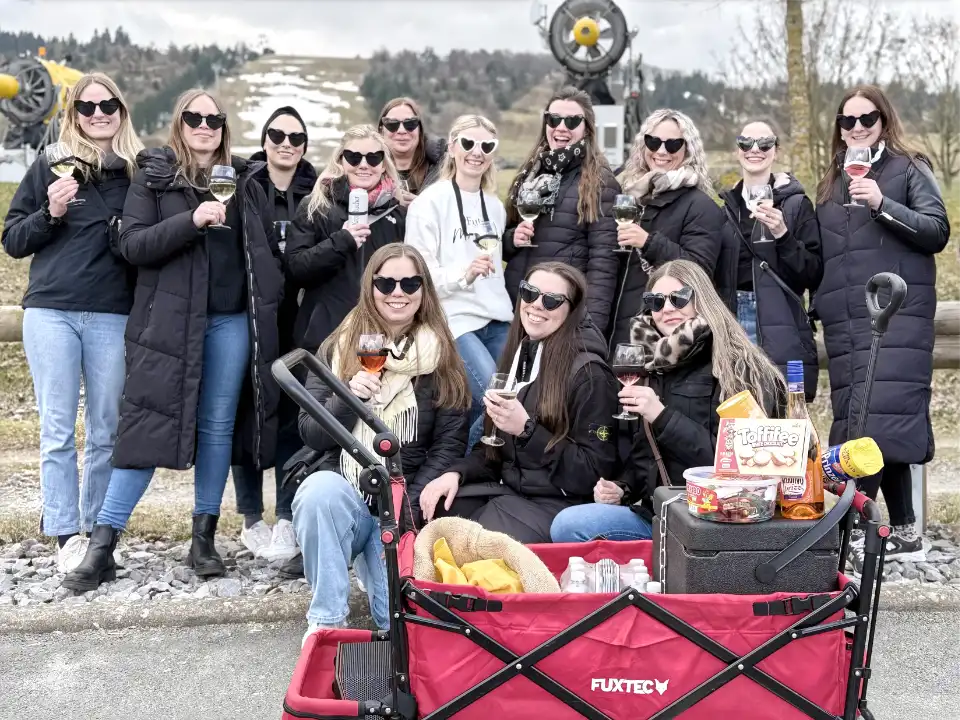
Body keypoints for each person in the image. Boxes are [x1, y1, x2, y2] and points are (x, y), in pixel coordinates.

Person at [63, 88, 284, 592]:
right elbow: (133, 245)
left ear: (224, 126)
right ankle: (102, 546)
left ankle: (202, 537)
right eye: (194, 117)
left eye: (214, 118)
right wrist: (192, 220)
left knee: (216, 426)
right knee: (144, 425)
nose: (204, 125)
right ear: (178, 123)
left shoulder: (245, 179)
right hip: (168, 326)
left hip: (229, 323)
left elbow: (267, 250)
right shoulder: (155, 176)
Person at [1, 72, 143, 573]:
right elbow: (14, 239)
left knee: (106, 429)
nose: (99, 114)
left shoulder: (138, 172)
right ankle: (65, 536)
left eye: (109, 105)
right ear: (73, 114)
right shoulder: (50, 165)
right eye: (87, 107)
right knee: (58, 429)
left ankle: (98, 536)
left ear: (122, 111)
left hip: (111, 313)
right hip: (52, 311)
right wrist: (51, 211)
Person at [294, 244, 469, 644]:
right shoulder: (339, 347)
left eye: (410, 282)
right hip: (348, 498)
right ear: (369, 286)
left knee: (396, 627)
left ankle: (369, 575)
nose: (398, 292)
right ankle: (326, 622)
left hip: (401, 506)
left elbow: (448, 446)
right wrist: (347, 398)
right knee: (318, 492)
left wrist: (404, 506)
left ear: (424, 291)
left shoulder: (442, 356)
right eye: (386, 282)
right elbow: (310, 432)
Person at [550, 260, 786, 542]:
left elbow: (745, 468)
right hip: (661, 515)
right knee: (570, 524)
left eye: (679, 298)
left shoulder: (739, 367)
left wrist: (661, 416)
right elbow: (646, 456)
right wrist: (623, 488)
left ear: (702, 301)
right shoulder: (650, 363)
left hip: (723, 519)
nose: (667, 308)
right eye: (656, 301)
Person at [814, 84, 950, 571]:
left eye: (866, 118)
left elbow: (937, 231)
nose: (855, 128)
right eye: (846, 121)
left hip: (895, 316)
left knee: (880, 419)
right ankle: (903, 530)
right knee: (864, 420)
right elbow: (828, 255)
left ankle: (856, 529)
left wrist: (881, 203)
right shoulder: (831, 180)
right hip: (848, 323)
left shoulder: (909, 168)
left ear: (884, 120)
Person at [417, 262, 619, 544]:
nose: (537, 305)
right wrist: (455, 473)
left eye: (551, 301)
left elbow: (593, 473)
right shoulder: (521, 353)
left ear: (571, 310)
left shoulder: (589, 374)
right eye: (530, 293)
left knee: (466, 546)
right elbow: (491, 450)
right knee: (430, 509)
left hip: (560, 505)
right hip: (511, 491)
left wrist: (526, 430)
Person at [231, 106, 318, 562]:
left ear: (305, 145)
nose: (286, 143)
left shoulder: (317, 190)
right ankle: (250, 518)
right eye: (277, 134)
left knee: (290, 415)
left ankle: (286, 514)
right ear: (264, 139)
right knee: (247, 413)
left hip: (297, 317)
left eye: (296, 137)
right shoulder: (247, 187)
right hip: (249, 315)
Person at [405, 114, 514, 445]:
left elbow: (493, 271)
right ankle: (455, 476)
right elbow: (418, 275)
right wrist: (463, 275)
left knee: (517, 399)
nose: (476, 152)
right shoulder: (428, 203)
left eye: (486, 145)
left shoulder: (495, 207)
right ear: (452, 148)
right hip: (455, 321)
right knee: (492, 401)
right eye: (468, 143)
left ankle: (487, 479)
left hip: (498, 318)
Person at [718, 120, 823, 399]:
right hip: (731, 323)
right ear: (737, 150)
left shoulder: (796, 205)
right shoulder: (723, 208)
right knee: (737, 424)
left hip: (780, 321)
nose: (755, 150)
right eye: (746, 143)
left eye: (764, 143)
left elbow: (812, 273)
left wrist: (783, 235)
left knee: (782, 426)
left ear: (776, 150)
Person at [503, 87, 620, 334]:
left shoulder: (600, 182)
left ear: (586, 127)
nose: (561, 127)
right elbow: (503, 241)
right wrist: (512, 239)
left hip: (560, 313)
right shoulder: (530, 172)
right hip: (518, 309)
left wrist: (591, 331)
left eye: (572, 121)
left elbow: (603, 266)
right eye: (554, 119)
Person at [609, 108, 728, 353]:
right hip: (614, 326)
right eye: (653, 142)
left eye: (673, 144)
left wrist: (649, 243)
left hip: (663, 337)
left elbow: (700, 271)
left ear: (688, 150)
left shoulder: (701, 205)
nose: (661, 151)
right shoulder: (627, 193)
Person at [285, 125, 405, 355]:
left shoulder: (397, 214)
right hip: (324, 335)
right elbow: (295, 269)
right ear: (341, 161)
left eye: (373, 158)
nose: (363, 165)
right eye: (353, 157)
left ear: (383, 164)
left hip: (378, 335)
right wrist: (342, 241)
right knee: (320, 392)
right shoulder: (316, 206)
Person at [377, 97, 445, 206]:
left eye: (410, 124)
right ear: (381, 129)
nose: (402, 131)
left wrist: (424, 206)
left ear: (420, 129)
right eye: (392, 124)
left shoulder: (445, 170)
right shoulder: (367, 169)